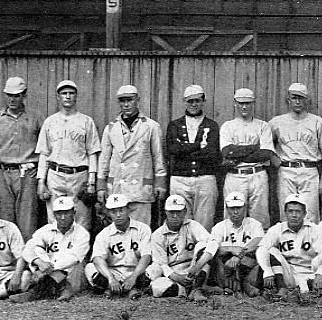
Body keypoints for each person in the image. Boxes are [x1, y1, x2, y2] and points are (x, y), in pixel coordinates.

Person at [0, 77, 44, 241]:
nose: (13, 99)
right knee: (5, 221)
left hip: (27, 174)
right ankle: (9, 261)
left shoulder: (36, 118)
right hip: (1, 174)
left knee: (27, 222)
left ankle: (27, 262)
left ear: (24, 95)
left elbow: (48, 147)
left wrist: (41, 170)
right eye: (9, 95)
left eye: (17, 95)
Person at [97, 85, 168, 227]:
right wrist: (101, 186)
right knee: (118, 232)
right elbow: (104, 160)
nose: (126, 104)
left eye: (130, 100)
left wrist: (160, 183)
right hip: (118, 186)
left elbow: (159, 157)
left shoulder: (151, 126)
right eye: (122, 101)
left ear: (137, 100)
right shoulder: (111, 128)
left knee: (140, 230)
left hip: (140, 189)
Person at [36, 80, 101, 230]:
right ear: (58, 97)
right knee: (54, 219)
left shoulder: (86, 121)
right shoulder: (50, 122)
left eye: (71, 93)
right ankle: (56, 253)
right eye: (64, 93)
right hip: (55, 174)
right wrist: (41, 182)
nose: (67, 96)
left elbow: (92, 153)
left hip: (79, 176)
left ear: (76, 96)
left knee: (81, 220)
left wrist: (91, 182)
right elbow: (44, 153)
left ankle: (80, 253)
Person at [11, 196, 90, 303]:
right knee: (37, 249)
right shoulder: (46, 230)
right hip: (49, 273)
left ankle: (35, 292)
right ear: (54, 214)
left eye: (66, 213)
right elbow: (27, 249)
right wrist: (40, 263)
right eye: (59, 213)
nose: (63, 217)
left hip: (71, 276)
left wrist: (46, 270)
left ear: (73, 213)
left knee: (76, 263)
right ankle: (61, 289)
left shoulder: (82, 233)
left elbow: (74, 258)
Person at [220, 88, 278, 229]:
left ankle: (258, 249)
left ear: (253, 103)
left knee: (260, 217)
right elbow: (227, 151)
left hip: (257, 174)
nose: (244, 106)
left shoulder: (262, 125)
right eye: (241, 103)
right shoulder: (228, 126)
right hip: (235, 175)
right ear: (235, 103)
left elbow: (266, 153)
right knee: (232, 216)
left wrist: (238, 152)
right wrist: (255, 147)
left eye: (248, 103)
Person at [166, 85, 221, 231]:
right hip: (180, 180)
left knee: (204, 226)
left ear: (203, 101)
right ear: (185, 102)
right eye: (190, 101)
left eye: (197, 100)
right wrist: (199, 145)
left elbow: (211, 153)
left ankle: (203, 253)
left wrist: (184, 148)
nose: (194, 104)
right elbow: (173, 149)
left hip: (205, 179)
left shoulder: (212, 125)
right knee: (182, 224)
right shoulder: (174, 125)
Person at [270, 83, 322, 224]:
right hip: (287, 170)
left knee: (310, 214)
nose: (298, 101)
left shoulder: (317, 122)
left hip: (309, 170)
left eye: (301, 98)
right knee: (286, 212)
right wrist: (273, 156)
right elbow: (265, 144)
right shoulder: (277, 122)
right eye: (294, 98)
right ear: (288, 99)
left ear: (307, 100)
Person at [148, 195, 219, 301]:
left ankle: (197, 289)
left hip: (194, 268)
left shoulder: (192, 225)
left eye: (179, 212)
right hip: (174, 272)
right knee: (157, 286)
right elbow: (161, 264)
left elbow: (213, 243)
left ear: (185, 211)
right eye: (171, 212)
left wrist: (196, 266)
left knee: (203, 245)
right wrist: (177, 278)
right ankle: (190, 288)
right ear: (166, 212)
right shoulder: (157, 235)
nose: (175, 216)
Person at [256, 194, 322, 295]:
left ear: (305, 213)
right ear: (285, 213)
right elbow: (261, 249)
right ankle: (282, 287)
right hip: (288, 271)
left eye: (298, 211)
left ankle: (301, 288)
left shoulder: (314, 229)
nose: (294, 215)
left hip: (310, 270)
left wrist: (320, 273)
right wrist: (267, 271)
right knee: (272, 250)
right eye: (290, 211)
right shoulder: (277, 229)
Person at [85, 194, 153, 299]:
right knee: (90, 268)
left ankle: (117, 290)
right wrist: (111, 278)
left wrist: (133, 277)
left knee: (156, 268)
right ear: (109, 213)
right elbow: (97, 258)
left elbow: (146, 256)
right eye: (113, 211)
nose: (118, 215)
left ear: (128, 209)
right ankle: (121, 288)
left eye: (121, 210)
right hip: (114, 272)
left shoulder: (143, 229)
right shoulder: (104, 234)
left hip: (137, 271)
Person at [209, 192, 265, 297]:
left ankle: (240, 285)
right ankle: (240, 286)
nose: (235, 212)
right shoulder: (219, 227)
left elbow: (259, 240)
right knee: (220, 257)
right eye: (232, 208)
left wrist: (238, 255)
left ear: (245, 207)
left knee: (257, 255)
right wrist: (231, 249)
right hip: (226, 268)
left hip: (247, 265)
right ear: (226, 208)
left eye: (238, 208)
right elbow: (213, 247)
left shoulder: (254, 224)